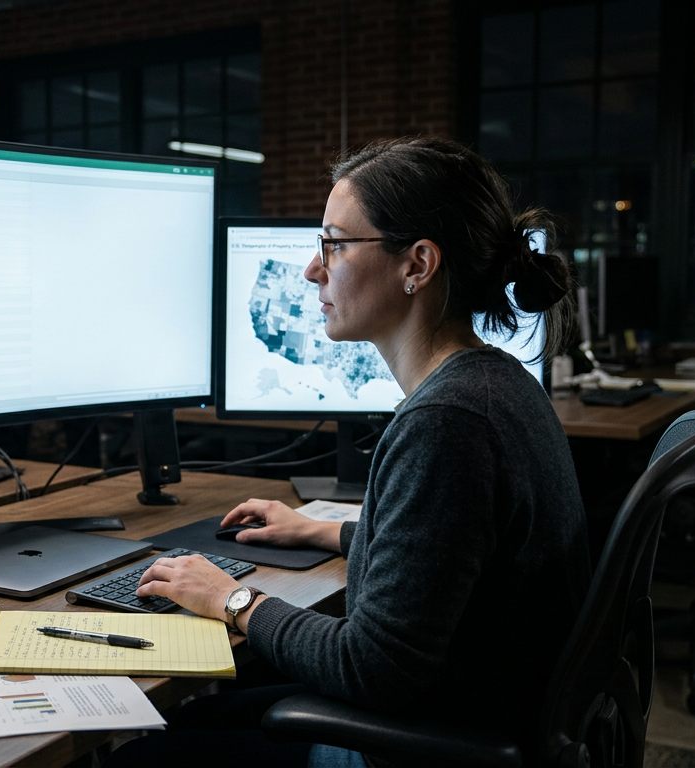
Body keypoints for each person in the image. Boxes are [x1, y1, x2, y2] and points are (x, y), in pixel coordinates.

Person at [111, 137, 591, 767]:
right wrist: (326, 532)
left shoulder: (448, 422)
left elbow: (375, 668)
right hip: (486, 713)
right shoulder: (495, 382)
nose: (313, 269)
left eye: (333, 244)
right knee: (202, 713)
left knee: (144, 751)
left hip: (430, 742)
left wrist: (228, 599)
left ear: (416, 264)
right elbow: (457, 550)